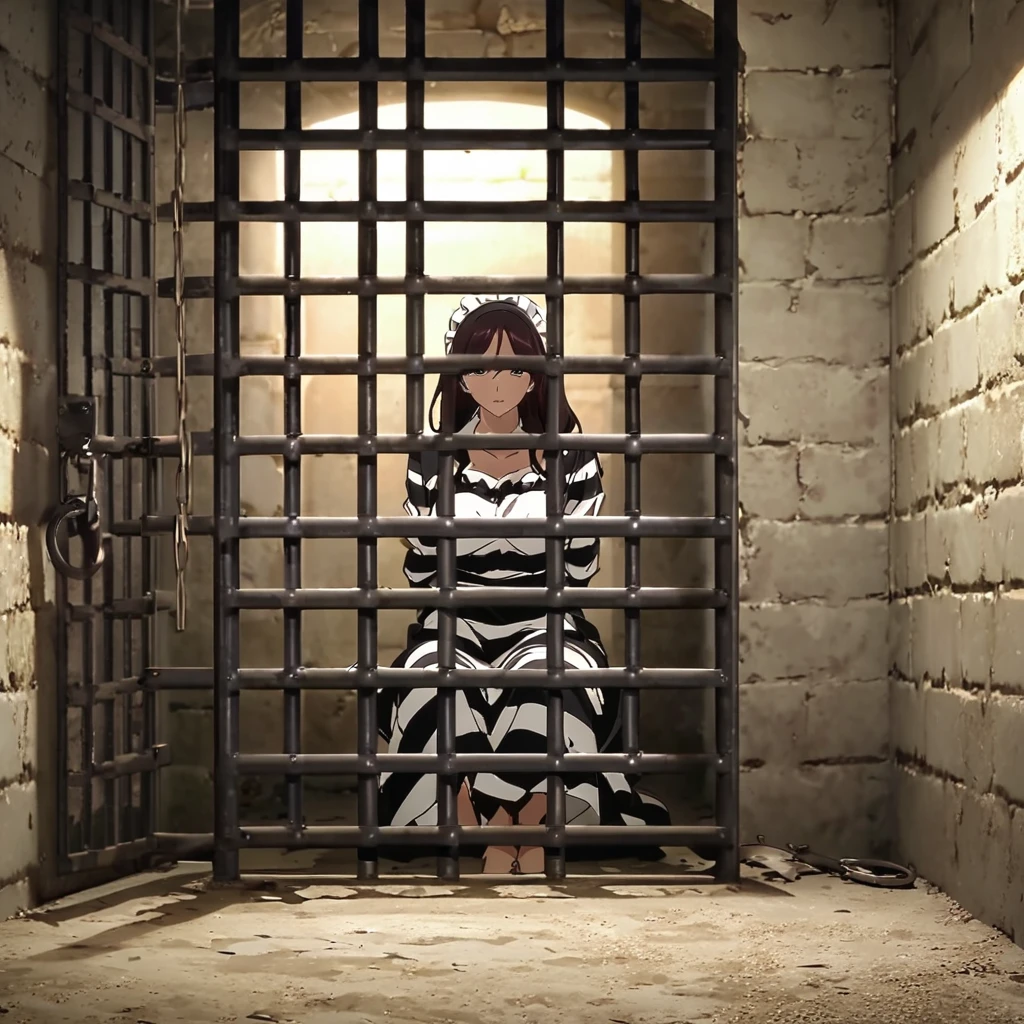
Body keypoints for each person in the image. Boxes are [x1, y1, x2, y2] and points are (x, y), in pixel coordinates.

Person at [377, 294, 669, 874]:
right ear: (459, 373)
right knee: (432, 676)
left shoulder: (572, 456)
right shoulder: (431, 456)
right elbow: (419, 571)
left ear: (537, 374)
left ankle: (532, 818)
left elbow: (580, 571)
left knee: (551, 674)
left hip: (547, 617)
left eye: (515, 366)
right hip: (452, 618)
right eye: (483, 366)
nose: (499, 380)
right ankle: (471, 819)